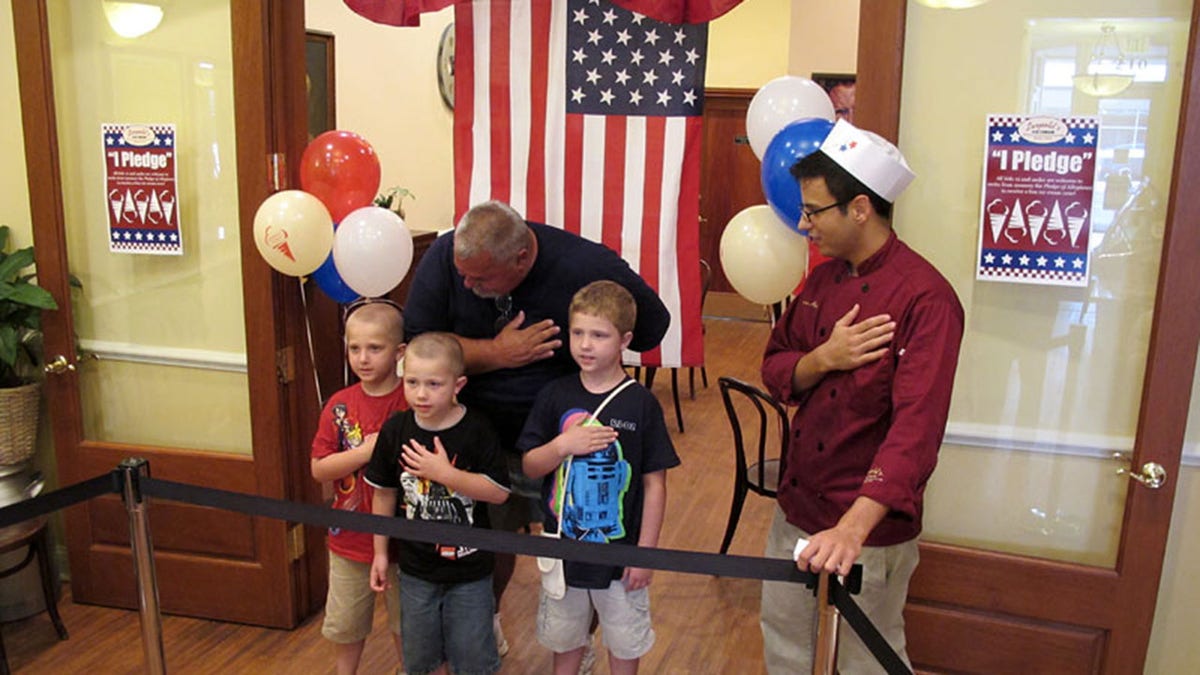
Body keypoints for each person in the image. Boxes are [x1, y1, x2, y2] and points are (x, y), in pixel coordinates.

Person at [403, 199, 671, 652]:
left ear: (522, 258)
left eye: (481, 278)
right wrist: (497, 352)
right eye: (463, 273)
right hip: (476, 434)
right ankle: (484, 621)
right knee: (486, 543)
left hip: (568, 439)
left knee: (577, 546)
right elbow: (417, 346)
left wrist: (595, 347)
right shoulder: (447, 257)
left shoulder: (585, 264)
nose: (467, 284)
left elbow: (651, 326)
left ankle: (578, 648)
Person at [759, 120, 964, 674]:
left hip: (866, 528)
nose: (804, 224)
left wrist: (853, 528)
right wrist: (822, 359)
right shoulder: (821, 282)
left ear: (859, 209)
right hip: (797, 509)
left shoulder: (927, 299)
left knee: (866, 659)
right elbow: (775, 366)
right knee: (785, 645)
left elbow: (915, 434)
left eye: (814, 211)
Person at [520, 280, 680, 675]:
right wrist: (562, 446)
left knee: (624, 642)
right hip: (563, 550)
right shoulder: (554, 395)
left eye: (598, 335)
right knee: (565, 640)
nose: (586, 345)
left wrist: (645, 553)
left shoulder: (641, 404)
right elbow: (530, 466)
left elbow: (654, 483)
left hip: (621, 554)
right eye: (577, 333)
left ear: (624, 339)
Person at [365, 332, 511, 675]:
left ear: (457, 384)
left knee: (473, 658)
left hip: (471, 572)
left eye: (434, 384)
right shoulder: (396, 430)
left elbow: (499, 491)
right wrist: (380, 553)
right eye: (412, 382)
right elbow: (384, 493)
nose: (421, 393)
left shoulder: (477, 428)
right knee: (420, 659)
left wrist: (444, 473)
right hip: (415, 572)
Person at [310, 299, 408, 675]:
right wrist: (365, 451)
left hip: (405, 540)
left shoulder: (411, 400)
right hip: (349, 539)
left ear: (399, 352)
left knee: (407, 626)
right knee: (347, 625)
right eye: (355, 348)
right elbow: (320, 469)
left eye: (375, 348)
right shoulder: (339, 405)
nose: (363, 358)